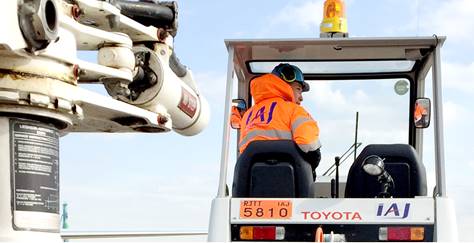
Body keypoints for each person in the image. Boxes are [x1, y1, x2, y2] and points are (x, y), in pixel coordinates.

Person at [238, 63, 321, 177]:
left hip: (251, 186)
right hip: (288, 186)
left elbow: (243, 154)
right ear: (283, 85)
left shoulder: (247, 116)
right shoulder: (294, 110)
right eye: (298, 89)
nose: (301, 97)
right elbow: (309, 146)